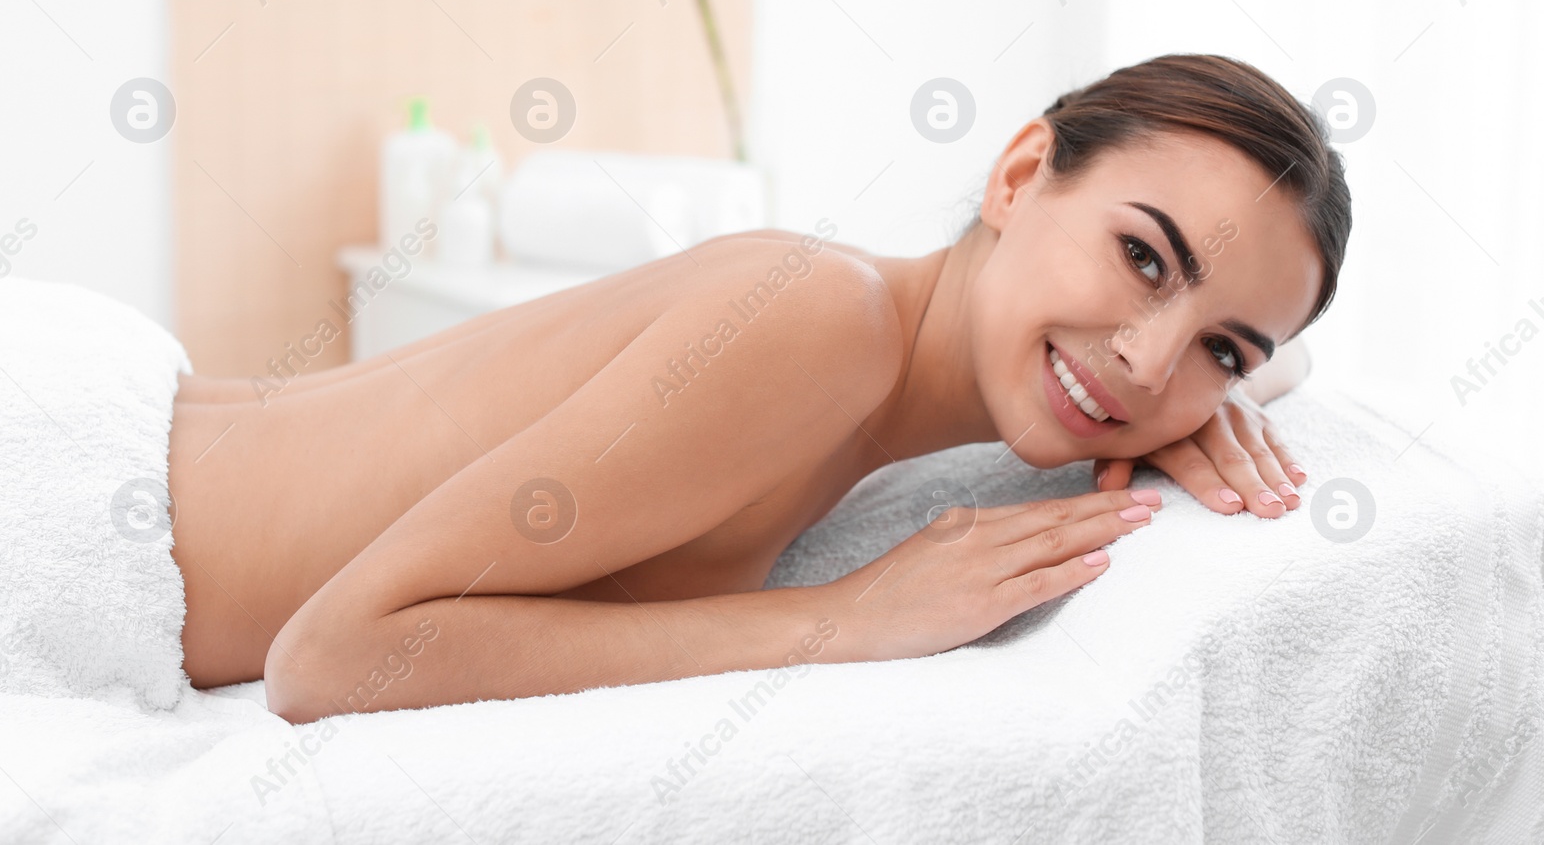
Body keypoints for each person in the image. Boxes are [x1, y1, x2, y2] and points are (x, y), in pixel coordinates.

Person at [166, 53, 1350, 724]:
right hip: (51, 500)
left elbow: (1257, 344)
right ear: (1020, 170)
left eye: (1219, 346)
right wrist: (849, 619)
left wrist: (1240, 382)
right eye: (1142, 257)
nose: (1149, 361)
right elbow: (329, 657)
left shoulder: (876, 344)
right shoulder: (817, 322)